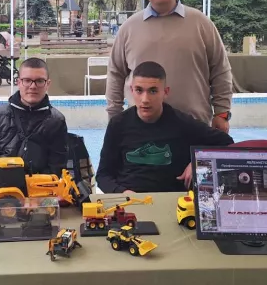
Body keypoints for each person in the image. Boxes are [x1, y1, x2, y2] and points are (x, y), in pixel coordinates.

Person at [106, 0, 233, 132]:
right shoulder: (129, 28)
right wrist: (114, 118)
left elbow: (220, 69)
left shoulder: (201, 23)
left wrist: (222, 113)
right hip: (142, 131)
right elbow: (115, 74)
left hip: (194, 127)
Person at [97, 61, 233, 194]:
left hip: (171, 199)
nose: (145, 99)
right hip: (129, 200)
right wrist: (123, 193)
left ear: (165, 92)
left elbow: (227, 143)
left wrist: (200, 161)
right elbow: (103, 175)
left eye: (153, 91)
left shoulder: (182, 123)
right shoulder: (118, 124)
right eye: (139, 90)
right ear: (132, 90)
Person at [0, 57, 69, 184]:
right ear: (18, 82)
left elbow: (56, 168)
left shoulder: (56, 121)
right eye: (27, 80)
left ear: (48, 84)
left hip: (40, 191)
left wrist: (31, 188)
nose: (33, 86)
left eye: (39, 81)